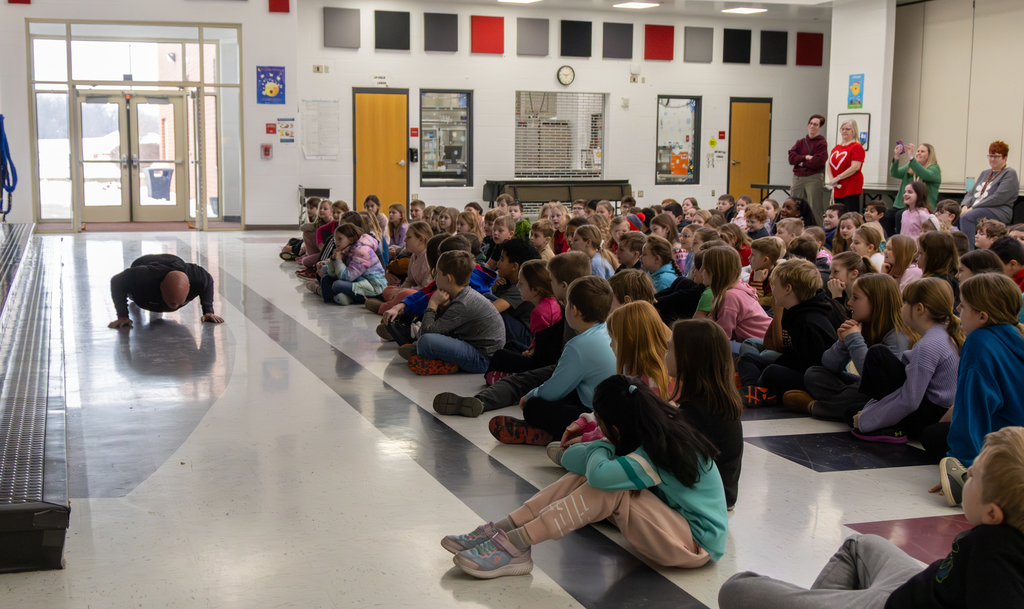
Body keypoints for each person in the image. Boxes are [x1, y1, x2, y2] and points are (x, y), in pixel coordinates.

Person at [445, 376, 728, 580]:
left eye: (601, 423)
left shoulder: (654, 452)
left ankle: (517, 544)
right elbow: (570, 458)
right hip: (676, 528)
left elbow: (596, 473)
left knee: (606, 486)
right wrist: (602, 442)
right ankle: (505, 531)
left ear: (616, 427)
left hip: (695, 546)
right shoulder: (651, 430)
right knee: (591, 477)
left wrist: (601, 443)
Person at [719, 427, 1024, 609]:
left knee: (737, 587)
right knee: (861, 545)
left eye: (974, 476)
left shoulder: (992, 550)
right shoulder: (1002, 536)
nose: (966, 472)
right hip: (910, 590)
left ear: (992, 514)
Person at [431, 252, 592, 418]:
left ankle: (480, 401)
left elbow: (559, 357)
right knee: (513, 357)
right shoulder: (567, 308)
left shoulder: (572, 315)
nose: (549, 285)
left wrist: (535, 390)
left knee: (519, 387)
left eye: (551, 280)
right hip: (559, 367)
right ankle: (481, 397)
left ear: (564, 286)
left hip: (558, 370)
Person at [488, 276, 616, 445]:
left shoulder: (578, 345)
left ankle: (565, 433)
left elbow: (553, 391)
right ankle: (551, 432)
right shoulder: (607, 330)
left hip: (599, 416)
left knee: (533, 407)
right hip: (610, 409)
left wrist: (531, 395)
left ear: (575, 310)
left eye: (566, 303)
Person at [938, 274, 1024, 504]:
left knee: (933, 435)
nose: (957, 308)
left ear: (982, 316)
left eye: (963, 305)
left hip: (1012, 450)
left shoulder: (979, 342)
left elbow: (971, 412)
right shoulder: (1016, 334)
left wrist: (964, 467)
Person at [844, 278, 960, 447]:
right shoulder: (943, 333)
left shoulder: (929, 345)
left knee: (853, 414)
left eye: (905, 302)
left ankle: (895, 427)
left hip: (930, 414)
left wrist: (867, 419)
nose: (901, 307)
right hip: (934, 408)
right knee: (855, 411)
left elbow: (910, 400)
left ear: (919, 309)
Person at [787, 274, 916, 421]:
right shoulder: (864, 324)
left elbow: (875, 380)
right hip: (869, 387)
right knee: (814, 373)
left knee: (860, 393)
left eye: (856, 298)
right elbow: (829, 364)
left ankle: (815, 407)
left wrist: (854, 339)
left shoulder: (898, 335)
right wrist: (842, 342)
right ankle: (842, 404)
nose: (849, 303)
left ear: (876, 302)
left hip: (890, 395)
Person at [665, 319, 744, 509]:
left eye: (670, 349)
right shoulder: (713, 402)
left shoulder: (697, 412)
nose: (665, 355)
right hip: (723, 493)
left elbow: (669, 461)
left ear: (689, 357)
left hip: (708, 499)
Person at [737, 259, 838, 407]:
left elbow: (812, 366)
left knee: (772, 372)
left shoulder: (809, 320)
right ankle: (756, 391)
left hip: (813, 377)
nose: (772, 290)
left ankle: (763, 392)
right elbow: (774, 347)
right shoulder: (793, 311)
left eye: (774, 285)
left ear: (788, 289)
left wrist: (780, 366)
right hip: (796, 365)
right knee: (747, 359)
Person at [402, 250, 505, 376]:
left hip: (482, 360)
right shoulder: (463, 294)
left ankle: (443, 363)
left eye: (438, 274)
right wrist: (442, 308)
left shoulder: (463, 303)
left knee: (425, 340)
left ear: (448, 278)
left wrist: (433, 304)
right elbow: (439, 327)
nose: (435, 278)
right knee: (423, 334)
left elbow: (426, 332)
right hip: (473, 348)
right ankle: (431, 355)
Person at [484, 259, 563, 384]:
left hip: (542, 366)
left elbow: (542, 353)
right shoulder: (552, 303)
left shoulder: (540, 312)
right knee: (511, 345)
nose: (517, 286)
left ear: (535, 290)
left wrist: (532, 353)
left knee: (500, 355)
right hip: (549, 357)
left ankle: (510, 378)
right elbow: (543, 338)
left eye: (521, 283)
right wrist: (531, 349)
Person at [109, 254, 222, 328]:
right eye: (170, 300)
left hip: (175, 260)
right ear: (161, 286)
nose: (173, 305)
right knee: (132, 294)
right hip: (143, 263)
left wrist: (208, 311)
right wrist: (122, 315)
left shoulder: (198, 277)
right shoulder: (140, 278)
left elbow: (209, 281)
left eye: (178, 302)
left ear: (189, 286)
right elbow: (116, 281)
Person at [702, 247, 772, 344]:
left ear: (716, 271)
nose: (701, 271)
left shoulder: (730, 296)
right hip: (761, 339)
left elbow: (722, 338)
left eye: (704, 267)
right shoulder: (736, 287)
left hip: (762, 344)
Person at [961, 141, 1020, 249]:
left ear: (1004, 158)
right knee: (958, 215)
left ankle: (969, 253)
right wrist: (964, 206)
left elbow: (998, 198)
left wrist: (972, 208)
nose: (992, 159)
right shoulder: (985, 173)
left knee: (967, 217)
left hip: (999, 210)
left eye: (996, 156)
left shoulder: (1009, 173)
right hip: (977, 208)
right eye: (990, 156)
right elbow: (971, 193)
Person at [366, 221, 435, 314]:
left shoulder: (427, 259)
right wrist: (399, 290)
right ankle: (393, 303)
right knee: (388, 290)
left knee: (404, 294)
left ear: (421, 240)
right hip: (416, 291)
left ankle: (384, 307)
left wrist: (401, 291)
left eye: (409, 237)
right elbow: (409, 280)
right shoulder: (414, 256)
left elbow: (426, 289)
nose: (405, 240)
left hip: (425, 295)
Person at [317, 222, 387, 306]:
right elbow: (332, 274)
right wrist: (333, 260)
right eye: (335, 239)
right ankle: (338, 299)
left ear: (351, 240)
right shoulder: (346, 250)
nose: (336, 242)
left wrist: (338, 260)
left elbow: (347, 277)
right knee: (326, 279)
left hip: (373, 287)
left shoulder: (362, 252)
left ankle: (348, 298)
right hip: (358, 281)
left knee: (337, 285)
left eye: (339, 239)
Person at [887, 141, 942, 236]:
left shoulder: (934, 168)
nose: (918, 153)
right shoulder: (911, 167)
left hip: (922, 206)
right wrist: (896, 157)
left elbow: (925, 174)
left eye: (922, 151)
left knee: (899, 215)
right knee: (886, 216)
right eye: (918, 151)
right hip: (904, 205)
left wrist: (911, 158)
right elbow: (894, 173)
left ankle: (902, 241)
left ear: (929, 155)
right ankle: (892, 240)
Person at [789, 114, 829, 219]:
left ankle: (816, 231)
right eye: (810, 123)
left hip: (814, 177)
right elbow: (791, 158)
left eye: (815, 124)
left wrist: (800, 162)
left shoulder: (822, 143)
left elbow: (818, 162)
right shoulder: (800, 142)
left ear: (820, 127)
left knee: (814, 206)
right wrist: (806, 157)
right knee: (795, 204)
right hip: (798, 177)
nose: (812, 126)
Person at [826, 119, 865, 212]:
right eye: (842, 129)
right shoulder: (836, 148)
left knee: (850, 212)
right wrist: (832, 179)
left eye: (847, 129)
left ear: (853, 131)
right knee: (839, 212)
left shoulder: (856, 147)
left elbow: (855, 167)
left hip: (851, 185)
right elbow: (829, 165)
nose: (844, 131)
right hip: (838, 185)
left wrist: (838, 177)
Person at [918, 231, 961, 309]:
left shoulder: (934, 285)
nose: (916, 256)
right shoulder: (950, 278)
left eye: (920, 253)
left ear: (933, 257)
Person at [748, 236, 784, 308]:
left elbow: (755, 304)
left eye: (753, 255)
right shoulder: (757, 270)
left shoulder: (777, 279)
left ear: (765, 260)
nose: (749, 257)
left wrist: (757, 282)